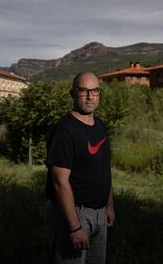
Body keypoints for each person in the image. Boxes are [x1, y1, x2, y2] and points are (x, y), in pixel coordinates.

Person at [45, 71, 115, 264]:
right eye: (84, 91)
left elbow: (104, 169)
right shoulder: (65, 131)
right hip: (74, 215)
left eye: (95, 90)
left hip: (99, 213)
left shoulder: (100, 126)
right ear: (73, 94)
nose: (90, 96)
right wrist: (75, 227)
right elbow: (60, 182)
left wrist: (109, 206)